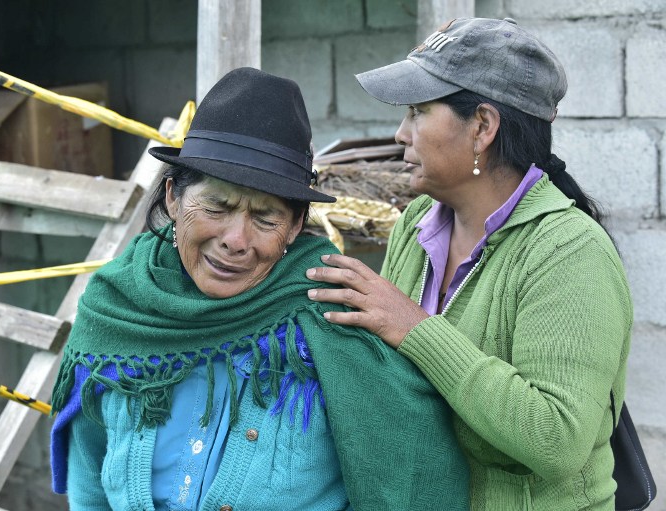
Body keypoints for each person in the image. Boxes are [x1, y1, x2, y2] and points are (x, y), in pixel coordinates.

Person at [49, 67, 469, 511]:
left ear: (295, 227)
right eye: (216, 206)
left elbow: (412, 474)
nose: (236, 240)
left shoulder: (333, 318)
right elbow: (89, 484)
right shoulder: (116, 308)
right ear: (173, 197)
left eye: (266, 218)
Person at [306, 17, 633, 510]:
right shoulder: (417, 223)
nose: (400, 134)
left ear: (482, 127)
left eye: (418, 112)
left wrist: (417, 329)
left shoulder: (569, 250)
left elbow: (557, 439)